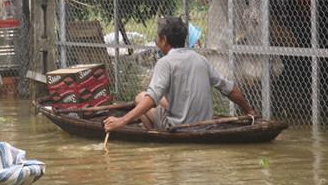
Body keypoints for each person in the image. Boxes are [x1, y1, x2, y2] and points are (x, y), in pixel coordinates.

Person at [104, 17, 256, 133]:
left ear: (164, 40)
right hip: (206, 124)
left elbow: (150, 100)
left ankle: (156, 137)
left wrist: (122, 121)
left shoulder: (165, 62)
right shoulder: (201, 59)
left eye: (157, 37)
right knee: (154, 97)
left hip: (179, 127)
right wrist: (248, 110)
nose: (156, 40)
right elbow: (228, 88)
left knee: (140, 98)